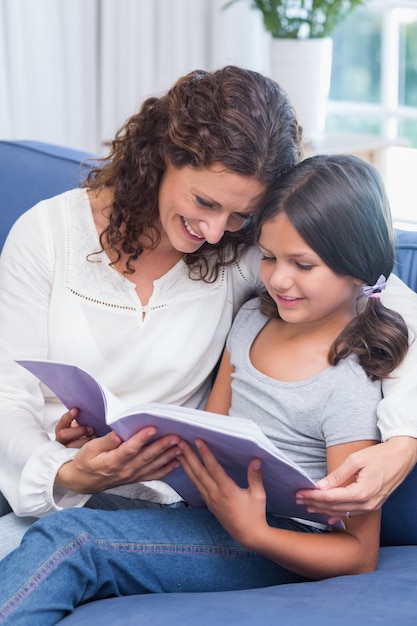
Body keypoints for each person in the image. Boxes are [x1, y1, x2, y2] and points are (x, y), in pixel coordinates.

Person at [0, 154, 410, 625]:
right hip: (204, 511)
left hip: (276, 540)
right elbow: (203, 440)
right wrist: (103, 439)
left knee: (75, 542)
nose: (278, 278)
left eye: (302, 264)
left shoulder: (348, 381)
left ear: (358, 268)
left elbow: (358, 553)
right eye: (270, 257)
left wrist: (255, 533)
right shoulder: (253, 319)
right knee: (22, 512)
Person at [0, 65, 303, 558]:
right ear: (164, 154)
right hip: (36, 476)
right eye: (203, 201)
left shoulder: (243, 252)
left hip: (157, 507)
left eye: (239, 215)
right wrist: (65, 471)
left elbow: (374, 292)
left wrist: (405, 437)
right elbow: (7, 397)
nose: (213, 231)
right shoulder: (47, 236)